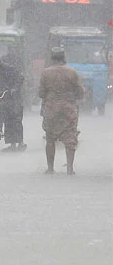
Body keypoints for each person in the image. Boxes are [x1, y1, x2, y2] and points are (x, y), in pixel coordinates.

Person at [39, 47, 84, 175]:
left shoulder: (46, 73)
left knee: (50, 139)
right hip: (69, 109)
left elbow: (41, 93)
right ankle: (70, 168)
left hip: (51, 109)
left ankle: (50, 168)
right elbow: (81, 92)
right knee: (70, 139)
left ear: (52, 58)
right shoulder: (72, 72)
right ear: (64, 58)